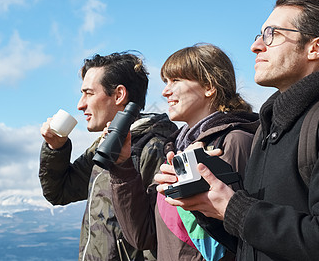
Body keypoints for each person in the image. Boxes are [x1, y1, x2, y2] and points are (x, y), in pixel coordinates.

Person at [159, 0, 319, 261]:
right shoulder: (267, 129)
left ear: (315, 48)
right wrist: (207, 201)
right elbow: (251, 245)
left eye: (272, 34)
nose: (256, 46)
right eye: (259, 35)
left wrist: (234, 207)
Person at [109, 43, 259, 261]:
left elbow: (244, 238)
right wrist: (122, 165)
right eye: (165, 82)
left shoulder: (235, 142)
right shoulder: (175, 151)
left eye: (175, 80)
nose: (164, 91)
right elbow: (143, 236)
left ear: (209, 86)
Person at [39, 52, 178, 261]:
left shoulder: (152, 148)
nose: (80, 104)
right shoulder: (105, 145)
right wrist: (56, 148)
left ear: (119, 95)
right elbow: (59, 192)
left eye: (89, 93)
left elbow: (158, 238)